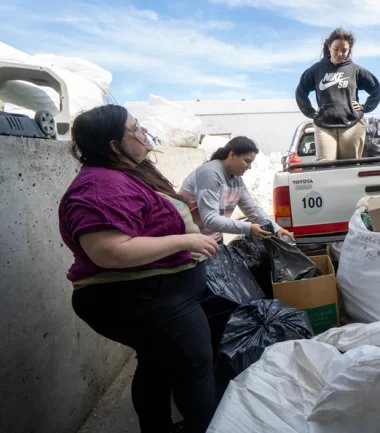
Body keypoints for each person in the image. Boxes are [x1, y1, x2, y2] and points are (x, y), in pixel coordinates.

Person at [59, 105, 220, 433]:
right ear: (114, 146)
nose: (144, 133)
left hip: (152, 294)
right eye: (135, 129)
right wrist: (183, 242)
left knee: (158, 365)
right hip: (139, 298)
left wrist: (191, 236)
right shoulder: (98, 186)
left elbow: (146, 227)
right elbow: (109, 251)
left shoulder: (125, 173)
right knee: (195, 369)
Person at [179, 136, 295, 243]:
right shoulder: (209, 174)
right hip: (191, 242)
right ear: (232, 154)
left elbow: (252, 209)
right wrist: (248, 228)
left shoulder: (236, 180)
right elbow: (210, 219)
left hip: (213, 240)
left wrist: (276, 228)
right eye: (247, 161)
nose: (249, 167)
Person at [295, 27, 380, 161]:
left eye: (344, 50)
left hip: (352, 124)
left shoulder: (356, 70)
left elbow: (377, 89)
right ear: (329, 46)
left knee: (349, 166)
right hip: (324, 125)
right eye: (336, 49)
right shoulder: (316, 70)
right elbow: (301, 91)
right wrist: (310, 112)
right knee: (325, 165)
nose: (340, 53)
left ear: (349, 50)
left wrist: (365, 107)